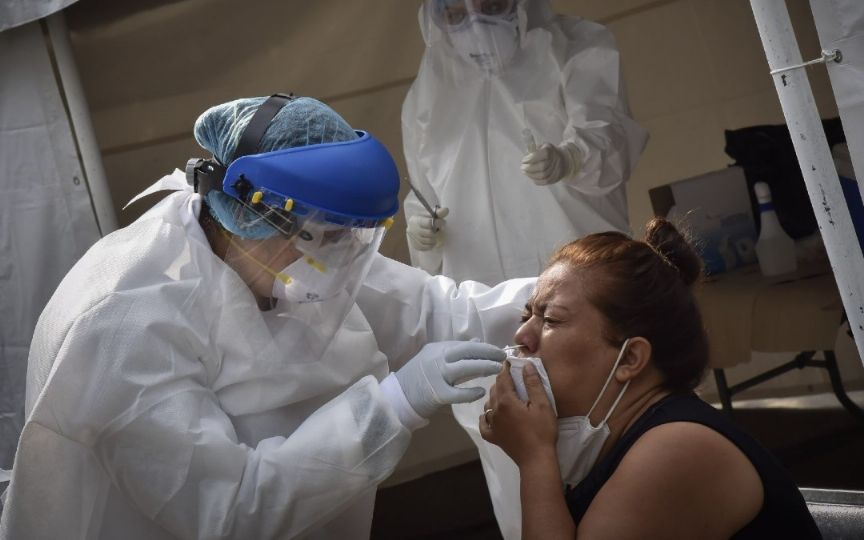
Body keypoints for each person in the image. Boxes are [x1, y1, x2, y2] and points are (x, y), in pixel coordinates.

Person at [0, 94, 536, 539]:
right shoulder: (125, 323)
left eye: (350, 236)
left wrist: (571, 292)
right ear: (251, 214)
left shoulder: (290, 249)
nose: (341, 256)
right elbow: (229, 512)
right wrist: (394, 405)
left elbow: (442, 312)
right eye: (325, 236)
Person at [476, 220, 822, 539]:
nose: (522, 334)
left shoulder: (676, 448)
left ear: (629, 358)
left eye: (550, 319)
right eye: (527, 314)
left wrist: (535, 459)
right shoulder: (614, 442)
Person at [402, 0, 649, 285]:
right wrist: (423, 236)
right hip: (481, 290)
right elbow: (424, 195)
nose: (475, 26)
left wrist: (572, 159)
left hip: (580, 272)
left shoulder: (575, 48)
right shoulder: (427, 95)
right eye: (455, 15)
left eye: (491, 7)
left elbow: (609, 137)